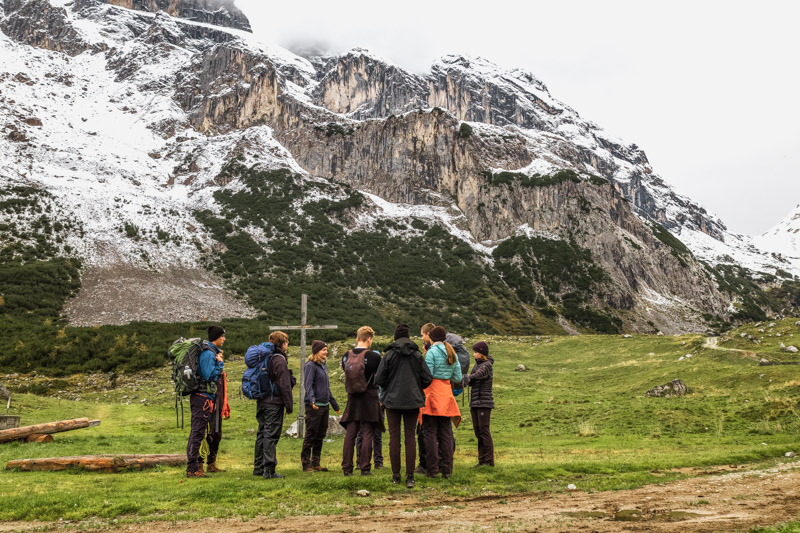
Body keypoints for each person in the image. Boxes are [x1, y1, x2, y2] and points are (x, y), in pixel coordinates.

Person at [375, 324, 433, 488]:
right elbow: (428, 378)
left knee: (394, 438)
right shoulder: (417, 355)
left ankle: (395, 475)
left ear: (395, 337)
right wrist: (416, 386)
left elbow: (379, 379)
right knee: (410, 438)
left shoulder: (389, 355)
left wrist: (388, 387)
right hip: (412, 401)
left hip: (392, 402)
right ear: (408, 337)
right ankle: (410, 477)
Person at [419, 325, 462, 479]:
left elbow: (427, 375)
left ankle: (432, 470)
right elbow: (457, 378)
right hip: (447, 394)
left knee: (430, 432)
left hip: (432, 394)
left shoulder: (431, 353)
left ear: (431, 337)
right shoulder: (451, 352)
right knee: (446, 433)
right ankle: (447, 470)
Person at [340, 326, 382, 476]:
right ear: (369, 339)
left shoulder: (346, 356)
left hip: (352, 398)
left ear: (357, 338)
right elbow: (381, 377)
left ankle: (347, 468)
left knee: (350, 433)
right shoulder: (374, 357)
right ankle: (365, 468)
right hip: (369, 397)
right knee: (367, 433)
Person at [186, 325, 225, 478]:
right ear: (216, 337)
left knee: (199, 432)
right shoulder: (209, 354)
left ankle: (196, 466)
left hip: (203, 397)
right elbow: (209, 376)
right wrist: (219, 363)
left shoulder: (209, 352)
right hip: (203, 397)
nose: (224, 339)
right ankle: (193, 468)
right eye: (222, 336)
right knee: (197, 432)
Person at [254, 330, 294, 479]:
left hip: (262, 400)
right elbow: (284, 385)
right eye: (287, 343)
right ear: (283, 344)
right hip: (274, 402)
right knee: (271, 435)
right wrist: (289, 405)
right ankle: (269, 469)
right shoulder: (279, 359)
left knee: (262, 433)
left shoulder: (265, 357)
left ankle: (258, 467)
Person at [301, 340, 340, 472]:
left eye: (326, 349)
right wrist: (312, 400)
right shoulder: (310, 366)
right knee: (311, 434)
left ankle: (316, 462)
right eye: (323, 349)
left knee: (321, 434)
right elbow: (308, 385)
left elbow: (327, 388)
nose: (326, 352)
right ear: (317, 351)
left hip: (325, 405)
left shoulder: (324, 366)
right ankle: (306, 464)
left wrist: (334, 404)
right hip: (314, 406)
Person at [464, 341, 494, 467]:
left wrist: (469, 377)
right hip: (476, 402)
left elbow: (478, 375)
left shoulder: (487, 365)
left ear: (482, 353)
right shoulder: (477, 365)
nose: (474, 354)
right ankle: (482, 460)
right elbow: (474, 378)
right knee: (478, 432)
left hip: (483, 403)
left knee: (484, 431)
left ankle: (488, 460)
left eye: (476, 352)